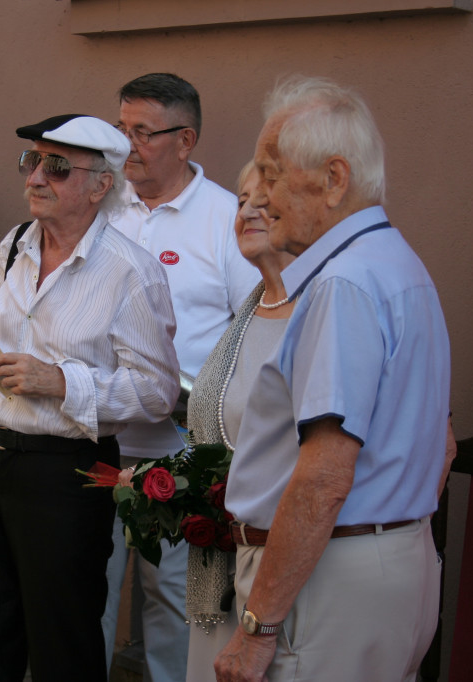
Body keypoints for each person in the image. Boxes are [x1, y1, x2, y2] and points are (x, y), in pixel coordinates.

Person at [214, 75, 450, 682]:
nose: (258, 196)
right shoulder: (398, 263)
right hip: (391, 557)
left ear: (334, 178)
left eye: (272, 173)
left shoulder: (342, 283)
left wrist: (258, 629)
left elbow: (322, 477)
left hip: (331, 579)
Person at [0, 114, 180, 682]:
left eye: (56, 167)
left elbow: (158, 392)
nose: (35, 178)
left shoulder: (131, 272)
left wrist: (64, 382)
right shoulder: (12, 247)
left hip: (66, 473)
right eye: (31, 162)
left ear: (101, 185)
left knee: (64, 642)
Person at [102, 72, 260, 682]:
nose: (127, 145)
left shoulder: (227, 219)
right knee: (87, 593)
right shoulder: (101, 207)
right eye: (121, 129)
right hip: (96, 442)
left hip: (181, 458)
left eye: (142, 132)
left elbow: (251, 335)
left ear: (185, 139)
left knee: (174, 608)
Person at [180, 161, 295, 682]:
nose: (245, 209)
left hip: (281, 567)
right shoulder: (249, 311)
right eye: (242, 197)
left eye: (263, 198)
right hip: (221, 561)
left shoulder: (317, 311)